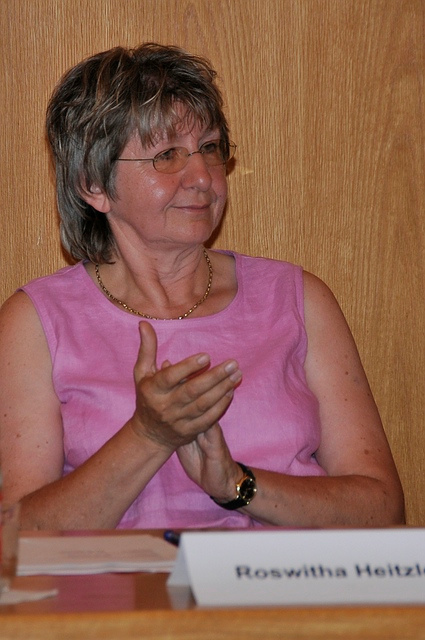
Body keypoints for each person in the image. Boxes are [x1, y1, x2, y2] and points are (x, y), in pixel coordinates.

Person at [0, 43, 404, 530]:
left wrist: (237, 484)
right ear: (94, 185)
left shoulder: (297, 298)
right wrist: (149, 436)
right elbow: (15, 539)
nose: (202, 178)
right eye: (167, 155)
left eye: (210, 148)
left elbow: (382, 509)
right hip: (126, 581)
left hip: (281, 578)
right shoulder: (36, 321)